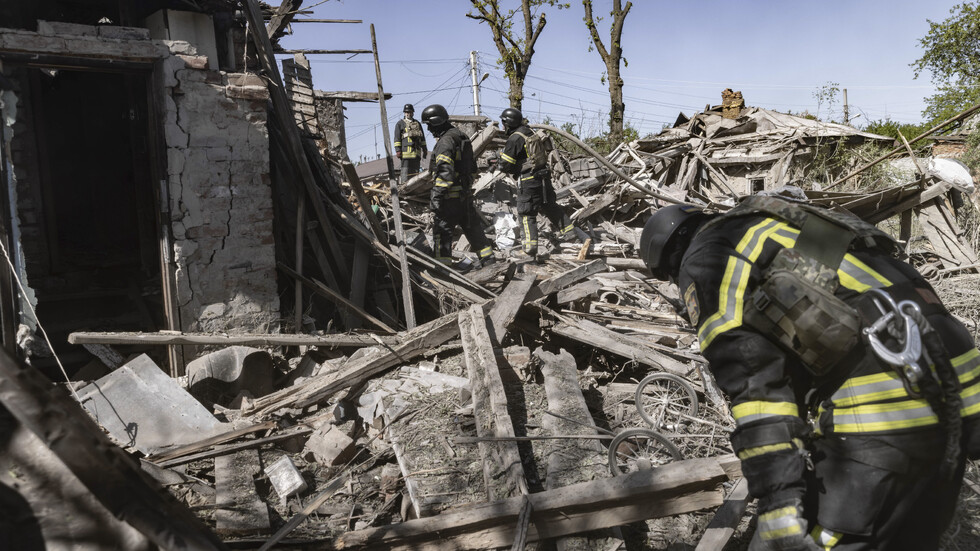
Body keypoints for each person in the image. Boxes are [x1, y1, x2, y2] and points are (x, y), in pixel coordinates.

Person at [639, 195, 979, 550]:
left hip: (887, 404)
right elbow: (829, 313)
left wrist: (778, 500)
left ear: (670, 259)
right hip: (960, 383)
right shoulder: (772, 224)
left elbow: (753, 380)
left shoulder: (705, 259)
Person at [498, 107, 579, 260]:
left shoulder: (515, 138)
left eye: (504, 123)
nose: (503, 127)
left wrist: (499, 160)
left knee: (526, 213)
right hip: (543, 178)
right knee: (550, 206)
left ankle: (529, 249)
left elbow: (505, 166)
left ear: (508, 123)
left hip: (528, 180)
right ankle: (570, 235)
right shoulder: (529, 132)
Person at [420, 104, 494, 267]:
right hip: (465, 197)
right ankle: (490, 262)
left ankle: (443, 272)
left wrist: (436, 197)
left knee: (442, 236)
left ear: (436, 122)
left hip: (449, 201)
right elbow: (472, 168)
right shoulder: (461, 137)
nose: (430, 130)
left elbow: (445, 173)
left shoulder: (445, 142)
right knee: (475, 232)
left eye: (429, 125)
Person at [394, 104, 427, 184]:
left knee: (415, 172)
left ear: (413, 113)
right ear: (404, 113)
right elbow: (397, 138)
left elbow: (422, 138)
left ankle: (415, 185)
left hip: (416, 153)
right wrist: (398, 150)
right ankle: (404, 186)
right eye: (407, 112)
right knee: (405, 171)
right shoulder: (400, 124)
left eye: (410, 112)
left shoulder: (418, 123)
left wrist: (425, 149)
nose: (408, 113)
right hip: (406, 154)